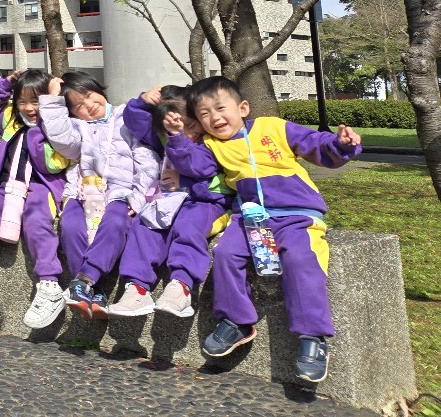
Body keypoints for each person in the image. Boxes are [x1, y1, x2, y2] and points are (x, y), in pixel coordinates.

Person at [164, 75, 361, 383]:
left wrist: (341, 144)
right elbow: (194, 166)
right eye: (204, 114)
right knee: (226, 254)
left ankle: (312, 336)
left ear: (242, 108)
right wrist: (177, 138)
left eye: (220, 108)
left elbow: (315, 145)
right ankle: (236, 321)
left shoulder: (273, 127)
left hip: (297, 214)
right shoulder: (212, 145)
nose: (215, 118)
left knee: (300, 259)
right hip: (250, 218)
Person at [40, 71, 160, 319]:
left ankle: (84, 280)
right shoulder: (77, 127)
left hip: (121, 192)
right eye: (78, 106)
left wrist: (138, 197)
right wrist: (53, 100)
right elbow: (62, 142)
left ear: (98, 89)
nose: (89, 106)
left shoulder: (126, 118)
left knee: (116, 221)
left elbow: (147, 162)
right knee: (71, 225)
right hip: (86, 191)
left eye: (89, 95)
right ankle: (90, 292)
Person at [109, 86, 231, 318]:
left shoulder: (211, 139)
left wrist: (177, 142)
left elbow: (199, 167)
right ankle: (136, 288)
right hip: (171, 198)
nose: (188, 133)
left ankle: (181, 286)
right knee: (143, 225)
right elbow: (136, 122)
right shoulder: (166, 135)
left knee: (188, 227)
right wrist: (142, 102)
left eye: (191, 125)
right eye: (177, 128)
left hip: (206, 200)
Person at [0, 68, 71, 329]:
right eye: (22, 101)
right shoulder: (13, 120)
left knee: (37, 221)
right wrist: (7, 82)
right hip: (7, 185)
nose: (29, 108)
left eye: (36, 101)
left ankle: (49, 284)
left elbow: (51, 165)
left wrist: (41, 125)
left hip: (40, 188)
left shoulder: (57, 127)